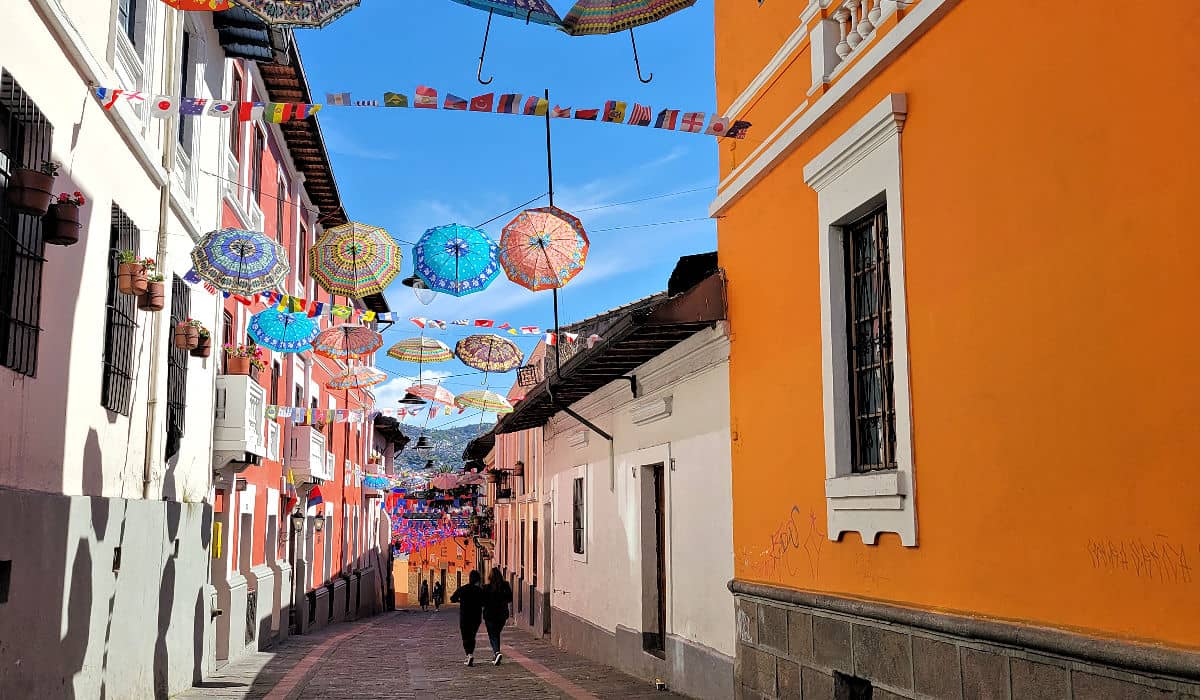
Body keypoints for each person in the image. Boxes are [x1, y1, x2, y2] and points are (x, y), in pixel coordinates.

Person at [450, 570, 485, 666]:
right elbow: (484, 602)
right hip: (476, 617)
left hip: (465, 616)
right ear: (478, 580)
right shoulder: (479, 591)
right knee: (472, 636)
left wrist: (460, 600)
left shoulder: (463, 589)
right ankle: (470, 653)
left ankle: (468, 654)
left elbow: (452, 598)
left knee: (465, 636)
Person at [482, 567, 513, 665]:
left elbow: (482, 602)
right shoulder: (505, 585)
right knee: (496, 634)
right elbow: (510, 598)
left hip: (490, 614)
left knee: (493, 635)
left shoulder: (486, 587)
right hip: (502, 614)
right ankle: (496, 655)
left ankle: (497, 652)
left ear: (490, 576)